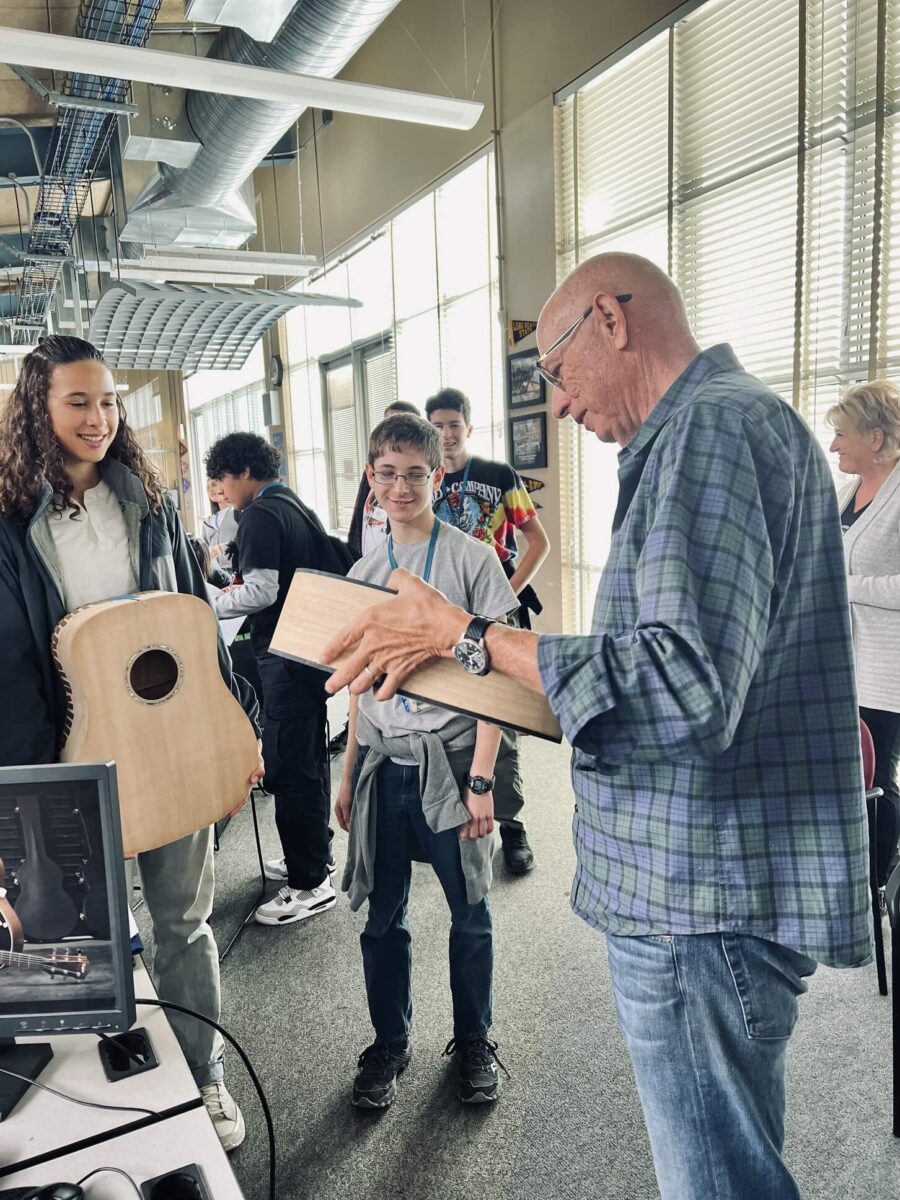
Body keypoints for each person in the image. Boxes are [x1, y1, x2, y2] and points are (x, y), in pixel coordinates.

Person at [321, 253, 871, 1200]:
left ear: (612, 322)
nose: (561, 406)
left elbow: (683, 683)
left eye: (557, 372)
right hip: (708, 887)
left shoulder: (711, 432)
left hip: (702, 898)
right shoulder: (712, 432)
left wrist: (465, 636)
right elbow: (678, 658)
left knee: (717, 1179)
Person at [0, 335, 263, 1152]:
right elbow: (9, 657)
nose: (99, 417)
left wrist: (238, 719)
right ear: (38, 410)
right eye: (78, 401)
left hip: (173, 741)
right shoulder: (11, 523)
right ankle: (119, 1096)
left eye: (109, 400)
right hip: (73, 753)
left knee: (185, 921)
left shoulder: (147, 500)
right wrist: (26, 786)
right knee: (85, 936)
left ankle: (205, 1075)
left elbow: (194, 621)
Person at [335, 413, 518, 1109]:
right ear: (370, 479)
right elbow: (358, 684)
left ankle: (473, 1038)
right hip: (385, 767)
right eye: (388, 472)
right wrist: (348, 772)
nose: (401, 485)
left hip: (451, 763)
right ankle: (390, 1043)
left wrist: (482, 780)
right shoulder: (364, 571)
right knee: (382, 919)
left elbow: (498, 677)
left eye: (416, 472)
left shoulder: (473, 558)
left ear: (438, 477)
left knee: (469, 911)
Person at [205, 432, 336, 927]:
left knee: (288, 763)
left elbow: (262, 590)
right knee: (307, 757)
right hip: (308, 651)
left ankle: (309, 883)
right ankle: (314, 854)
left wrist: (206, 602)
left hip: (285, 652)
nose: (221, 490)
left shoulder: (259, 512)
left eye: (222, 479)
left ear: (242, 472)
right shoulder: (293, 504)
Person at [427, 388, 550, 875]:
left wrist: (508, 598)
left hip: (494, 617)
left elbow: (536, 542)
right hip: (444, 618)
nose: (446, 434)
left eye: (454, 424)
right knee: (450, 717)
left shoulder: (499, 476)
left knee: (501, 720)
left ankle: (513, 825)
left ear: (469, 428)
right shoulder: (424, 481)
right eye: (436, 426)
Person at [829, 380, 900, 888]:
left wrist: (844, 584)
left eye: (841, 434)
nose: (833, 445)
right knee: (855, 775)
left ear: (875, 439)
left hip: (888, 666)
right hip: (846, 662)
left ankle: (877, 885)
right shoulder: (846, 491)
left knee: (880, 781)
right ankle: (861, 875)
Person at [348, 400, 422, 561]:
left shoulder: (421, 481)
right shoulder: (373, 470)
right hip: (367, 564)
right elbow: (358, 521)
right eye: (387, 422)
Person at [200, 477, 239, 573]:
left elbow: (246, 541)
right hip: (215, 572)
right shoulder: (207, 521)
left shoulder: (239, 513)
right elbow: (204, 548)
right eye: (208, 487)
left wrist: (222, 548)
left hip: (236, 570)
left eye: (214, 484)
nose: (210, 490)